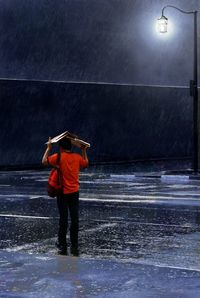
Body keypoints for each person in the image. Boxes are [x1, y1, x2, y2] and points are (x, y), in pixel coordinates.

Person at [42, 136, 89, 256]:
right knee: (75, 219)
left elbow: (43, 161)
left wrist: (48, 148)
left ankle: (62, 242)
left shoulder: (58, 157)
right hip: (74, 192)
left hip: (62, 192)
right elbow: (86, 164)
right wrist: (83, 150)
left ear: (61, 147)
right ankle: (74, 242)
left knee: (63, 219)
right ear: (71, 146)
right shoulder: (77, 157)